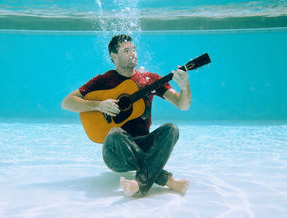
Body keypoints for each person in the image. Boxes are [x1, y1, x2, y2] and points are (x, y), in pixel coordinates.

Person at [61, 34, 191, 197]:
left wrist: (185, 86)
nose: (133, 54)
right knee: (115, 132)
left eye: (134, 49)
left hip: (143, 144)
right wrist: (99, 105)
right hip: (115, 152)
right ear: (113, 56)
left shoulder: (150, 79)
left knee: (171, 129)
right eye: (126, 50)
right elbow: (67, 102)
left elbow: (182, 104)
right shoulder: (104, 80)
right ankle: (168, 180)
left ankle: (139, 183)